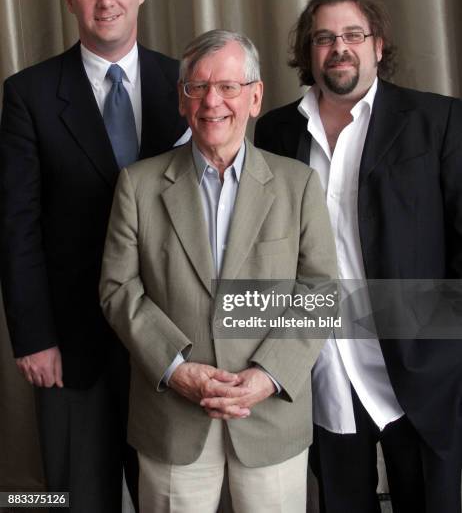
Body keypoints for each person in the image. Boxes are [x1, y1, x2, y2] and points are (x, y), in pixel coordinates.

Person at [99, 29, 338, 513]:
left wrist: (269, 375)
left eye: (228, 87)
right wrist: (177, 369)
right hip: (172, 416)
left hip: (269, 413)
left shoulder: (298, 185)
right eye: (198, 87)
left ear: (255, 98)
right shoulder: (138, 185)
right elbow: (118, 288)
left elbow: (321, 291)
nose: (213, 101)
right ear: (183, 101)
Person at [254, 0, 462, 513]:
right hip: (320, 365)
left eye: (352, 34)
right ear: (308, 52)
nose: (339, 47)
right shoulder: (276, 131)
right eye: (324, 38)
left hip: (419, 370)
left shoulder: (437, 121)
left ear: (378, 44)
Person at [0, 0, 188, 512]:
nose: (104, 0)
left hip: (172, 338)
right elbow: (16, 224)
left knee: (173, 496)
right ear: (70, 0)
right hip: (71, 343)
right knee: (76, 497)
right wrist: (34, 337)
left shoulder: (187, 84)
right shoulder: (28, 94)